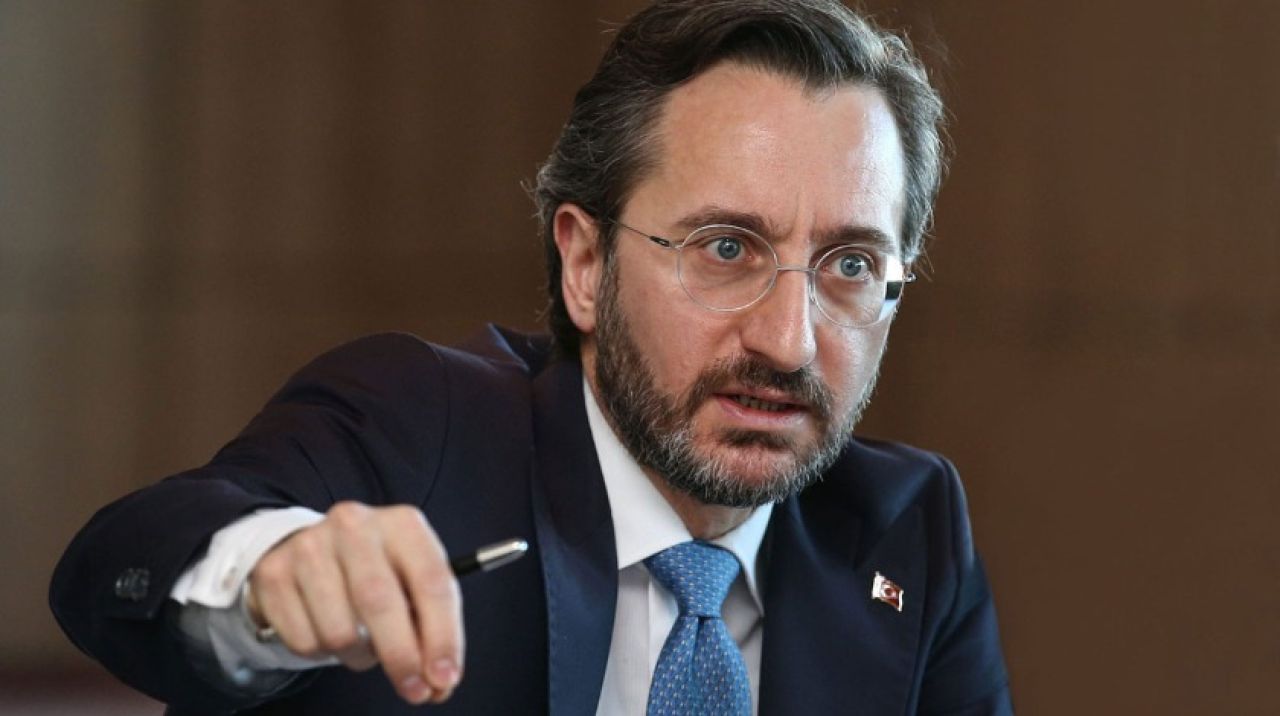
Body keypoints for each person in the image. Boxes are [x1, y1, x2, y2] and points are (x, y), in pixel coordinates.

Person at [51, 1, 1012, 713]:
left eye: (851, 265)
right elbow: (116, 565)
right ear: (585, 265)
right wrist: (274, 576)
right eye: (726, 249)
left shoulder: (904, 531)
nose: (788, 340)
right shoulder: (423, 427)